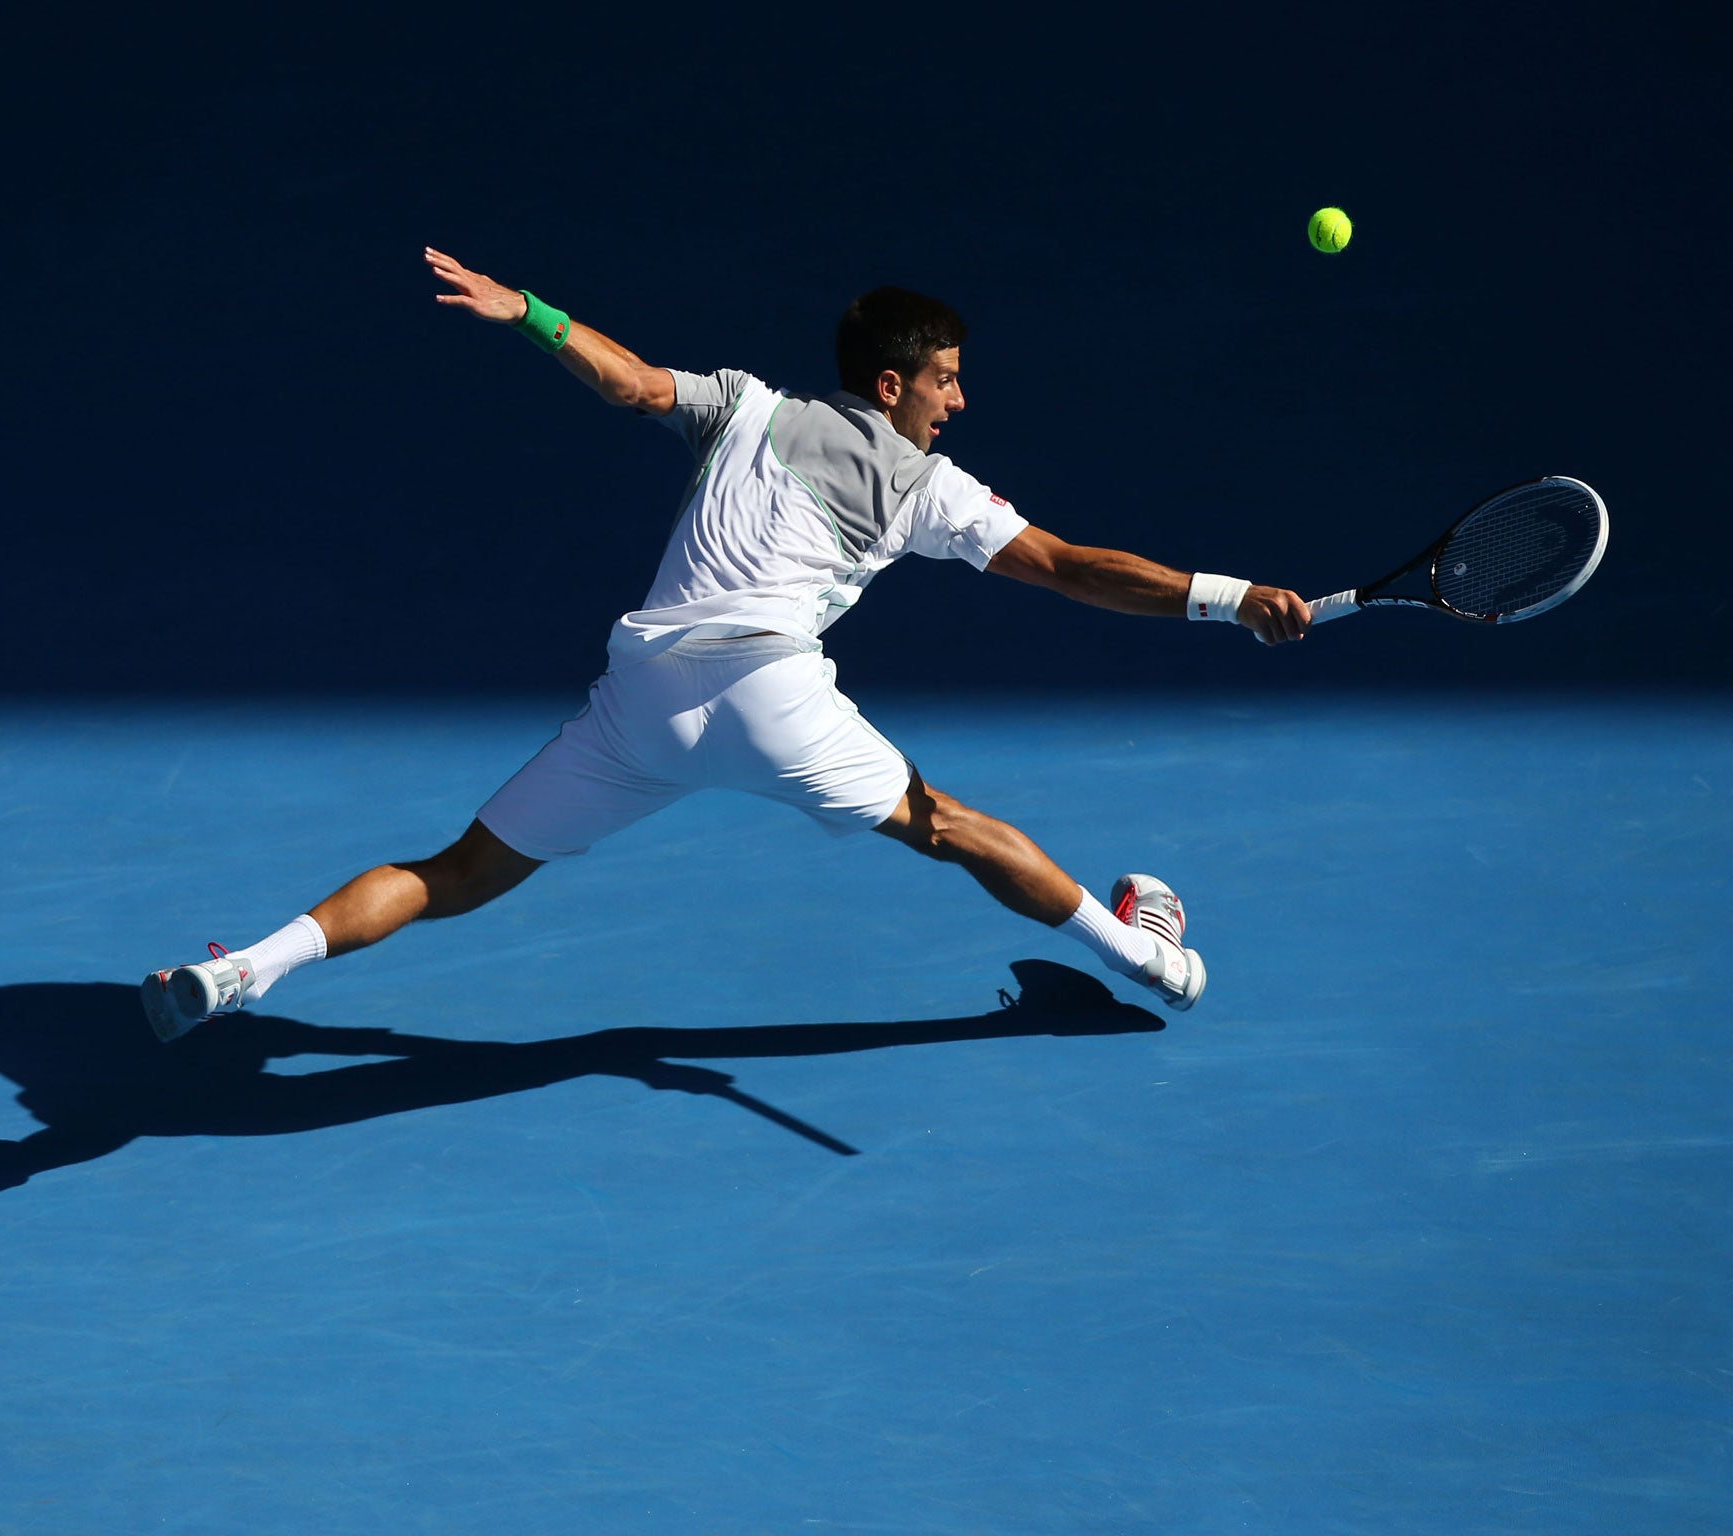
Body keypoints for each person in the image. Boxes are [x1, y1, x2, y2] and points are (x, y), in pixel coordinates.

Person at [141, 247, 1313, 1042]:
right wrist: (1225, 593)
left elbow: (631, 384)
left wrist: (531, 314)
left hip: (639, 704)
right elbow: (1066, 568)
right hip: (767, 693)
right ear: (893, 383)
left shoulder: (743, 404)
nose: (956, 404)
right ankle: (1152, 963)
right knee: (951, 828)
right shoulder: (925, 485)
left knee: (457, 873)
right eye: (945, 383)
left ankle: (245, 969)